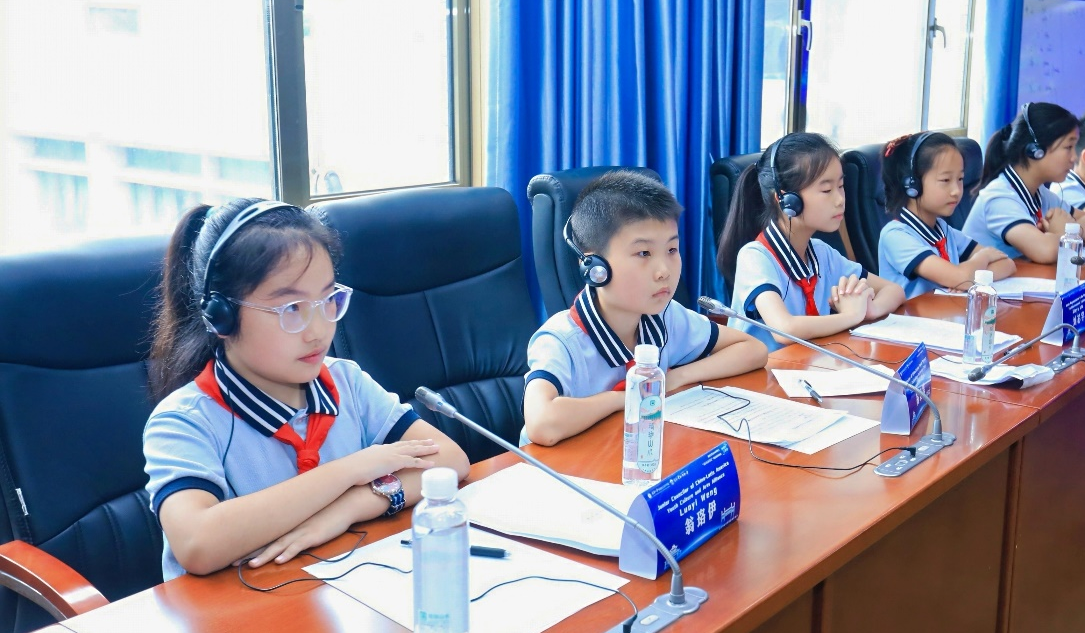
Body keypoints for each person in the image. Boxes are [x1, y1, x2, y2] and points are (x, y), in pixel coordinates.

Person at [144, 199, 470, 580]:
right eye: (292, 309)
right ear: (222, 317)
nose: (319, 331)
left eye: (328, 300)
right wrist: (351, 469)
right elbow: (197, 543)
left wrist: (349, 507)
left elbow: (450, 459)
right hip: (238, 611)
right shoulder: (183, 421)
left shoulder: (344, 382)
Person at [522, 171, 767, 446]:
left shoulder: (664, 317)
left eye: (672, 250)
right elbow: (541, 424)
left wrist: (676, 378)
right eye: (644, 253)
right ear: (594, 268)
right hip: (562, 468)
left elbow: (753, 350)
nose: (664, 271)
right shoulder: (561, 339)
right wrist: (626, 397)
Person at [717, 132, 905, 350]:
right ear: (786, 200)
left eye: (841, 186)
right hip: (765, 370)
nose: (840, 200)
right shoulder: (755, 257)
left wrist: (868, 309)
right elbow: (784, 329)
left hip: (811, 364)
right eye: (826, 190)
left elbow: (894, 290)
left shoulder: (822, 253)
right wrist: (850, 316)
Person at [876, 131, 1015, 298]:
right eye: (945, 180)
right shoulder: (896, 236)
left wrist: (969, 279)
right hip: (914, 314)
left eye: (960, 179)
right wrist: (982, 258)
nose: (956, 191)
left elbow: (1007, 264)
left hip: (947, 310)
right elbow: (961, 278)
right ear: (913, 185)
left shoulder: (943, 230)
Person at [963, 102, 1085, 262]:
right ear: (1036, 150)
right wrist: (1063, 233)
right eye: (1068, 147)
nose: (1074, 157)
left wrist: (1067, 229)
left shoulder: (1040, 194)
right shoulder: (999, 197)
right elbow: (1045, 251)